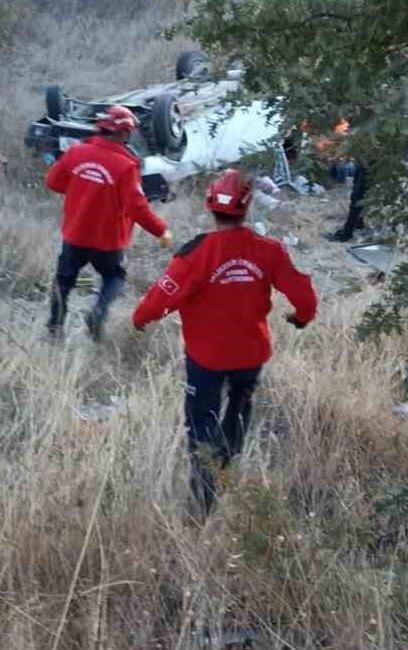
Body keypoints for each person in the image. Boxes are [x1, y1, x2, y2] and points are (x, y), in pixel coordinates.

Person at [132, 169, 318, 515]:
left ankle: (203, 499)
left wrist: (139, 319)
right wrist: (302, 318)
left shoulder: (195, 255)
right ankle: (227, 467)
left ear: (209, 205)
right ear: (247, 207)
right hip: (251, 353)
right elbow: (304, 295)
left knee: (202, 422)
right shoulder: (269, 250)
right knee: (238, 411)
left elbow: (159, 299)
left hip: (206, 359)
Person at [45, 105, 173, 341]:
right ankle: (98, 313)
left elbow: (52, 182)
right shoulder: (126, 166)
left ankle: (54, 330)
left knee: (63, 281)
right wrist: (161, 230)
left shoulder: (76, 152)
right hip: (108, 241)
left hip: (75, 235)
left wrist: (80, 190)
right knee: (114, 277)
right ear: (124, 133)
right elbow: (137, 207)